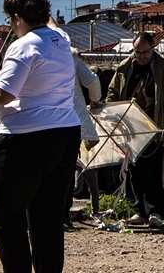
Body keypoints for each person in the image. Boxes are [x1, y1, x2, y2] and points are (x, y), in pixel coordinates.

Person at [0, 0, 81, 273]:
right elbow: (50, 23)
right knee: (48, 217)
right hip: (65, 134)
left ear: (18, 18)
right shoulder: (60, 37)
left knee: (2, 213)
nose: (11, 26)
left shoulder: (23, 45)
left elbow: (3, 94)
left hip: (24, 138)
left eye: (11, 20)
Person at [106, 31, 164, 228]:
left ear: (153, 48)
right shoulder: (124, 68)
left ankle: (155, 212)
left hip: (158, 127)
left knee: (155, 171)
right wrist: (113, 117)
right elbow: (112, 93)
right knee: (135, 172)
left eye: (145, 52)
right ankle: (139, 211)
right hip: (131, 128)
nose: (141, 56)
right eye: (137, 52)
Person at [65, 49, 103, 224]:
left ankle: (59, 214)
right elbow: (93, 81)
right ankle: (65, 215)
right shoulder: (71, 57)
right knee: (73, 176)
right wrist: (95, 99)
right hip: (75, 123)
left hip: (43, 122)